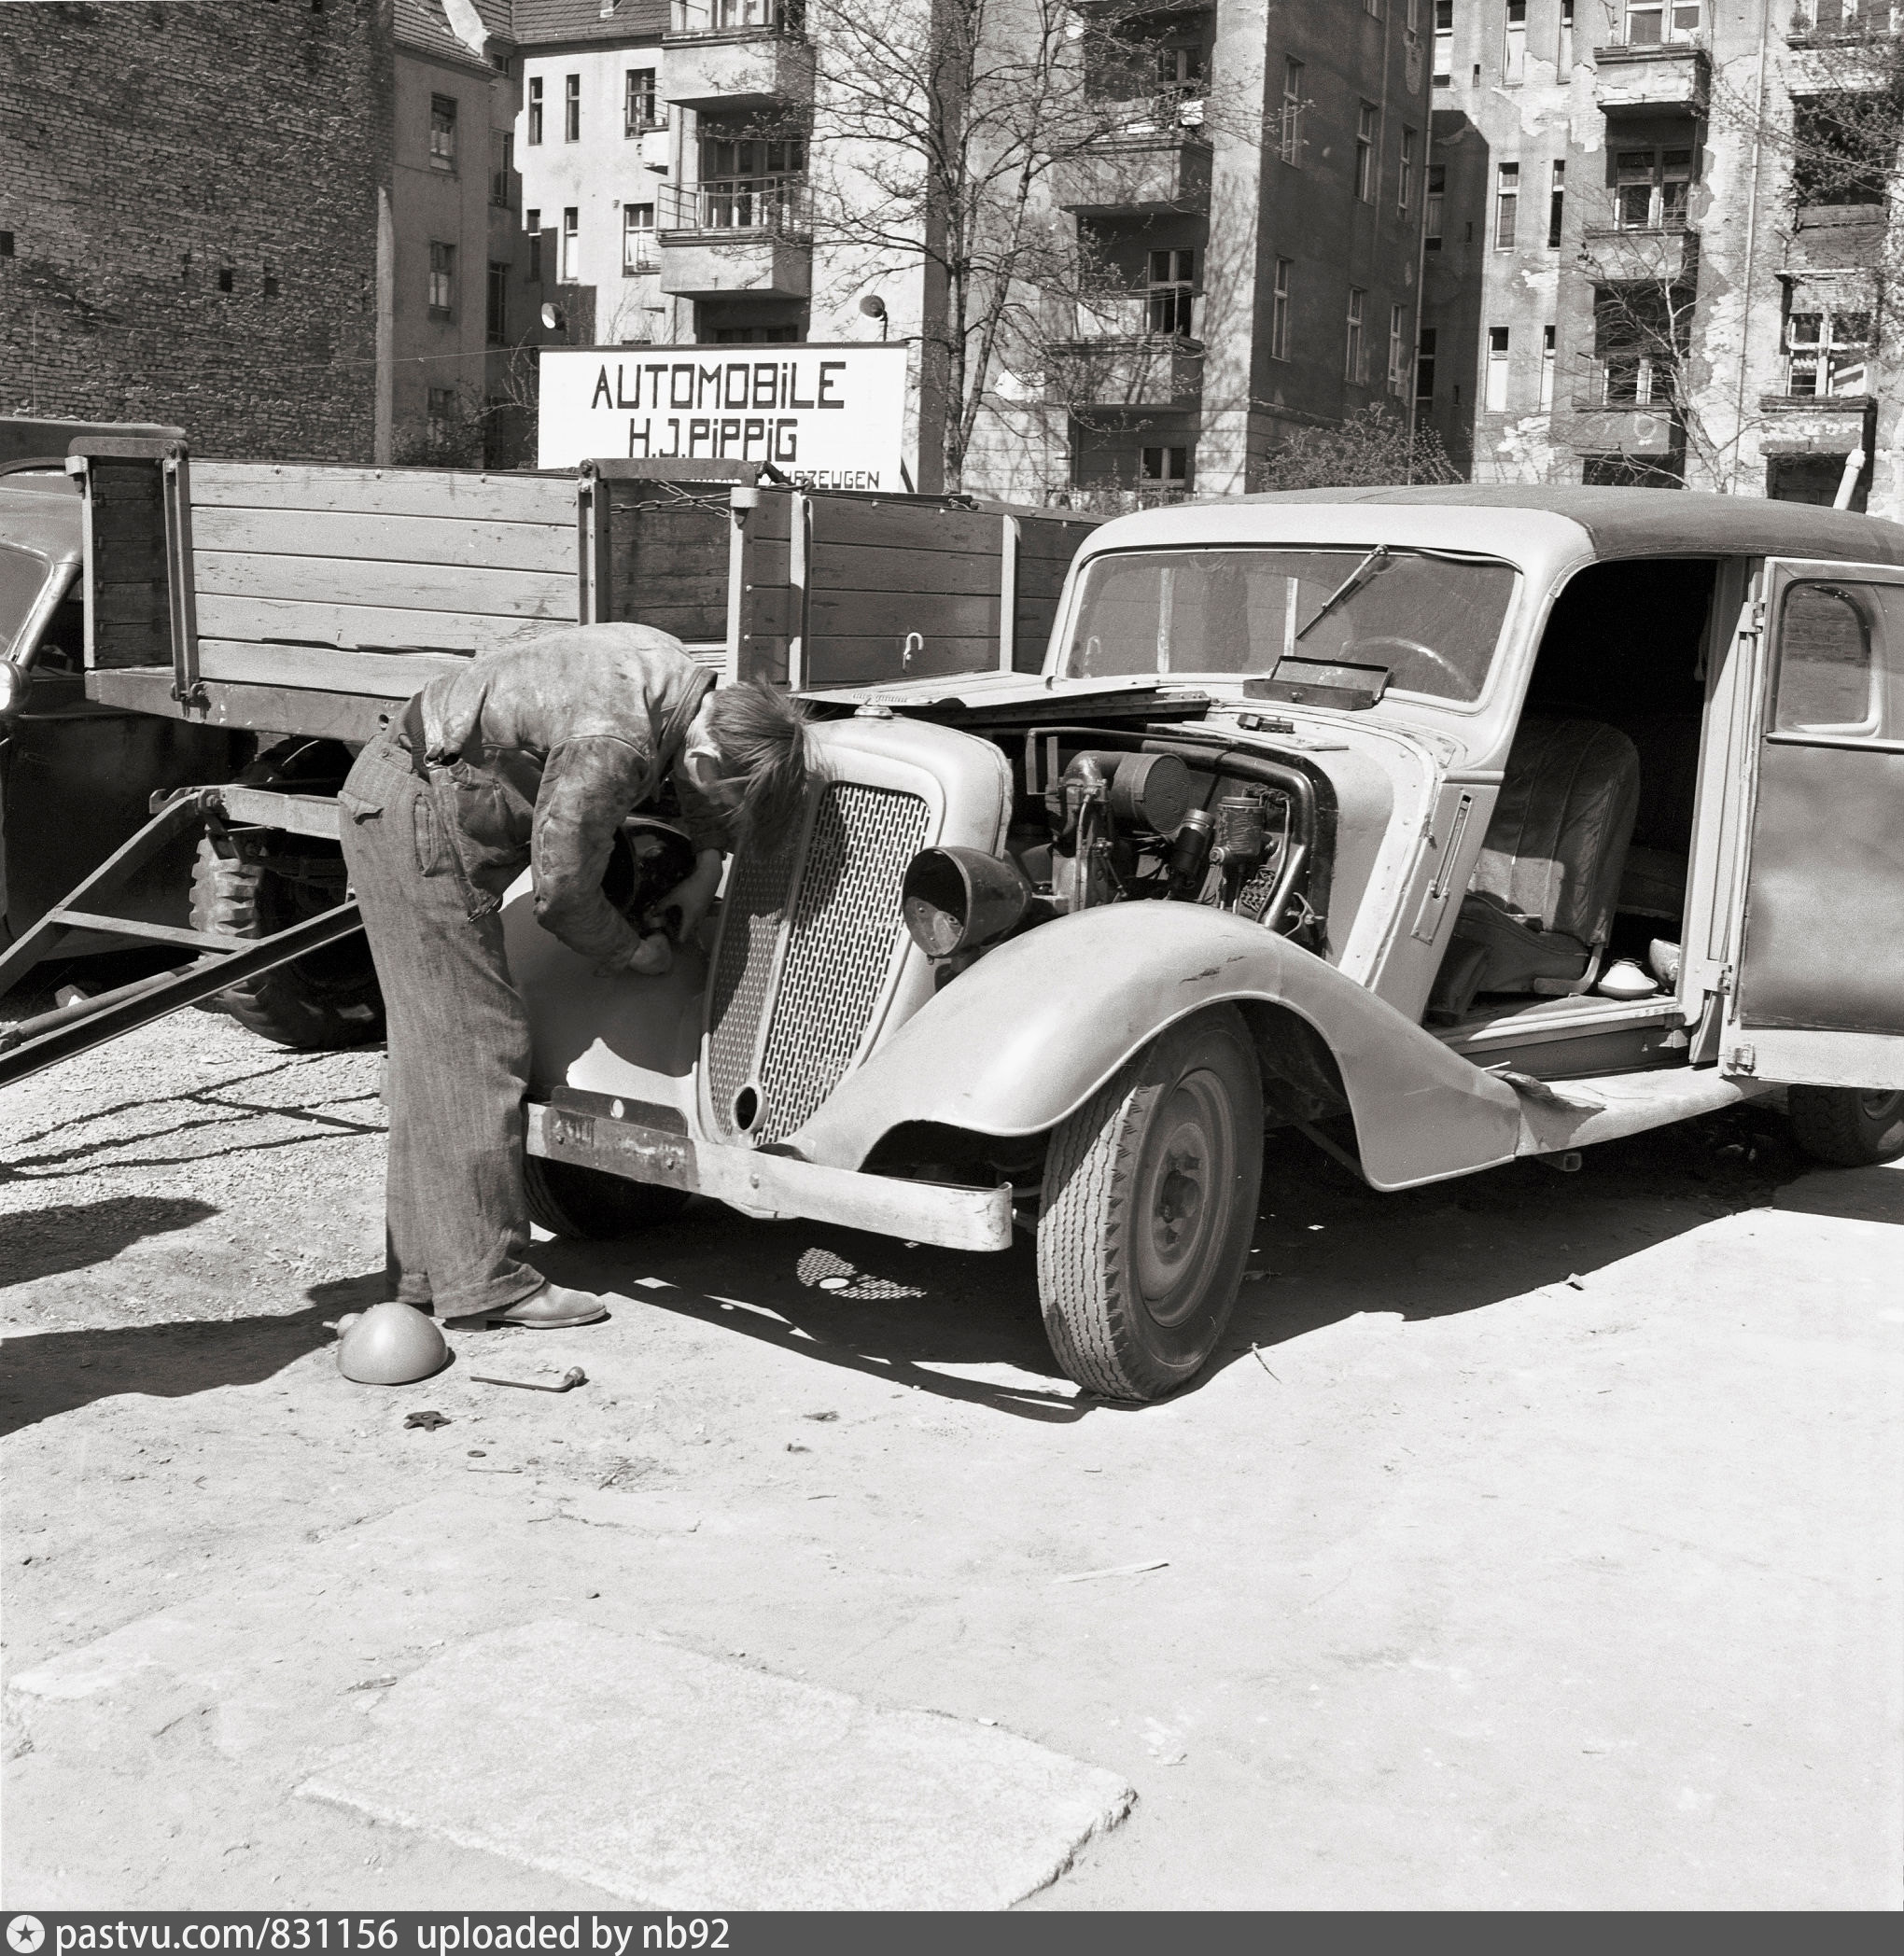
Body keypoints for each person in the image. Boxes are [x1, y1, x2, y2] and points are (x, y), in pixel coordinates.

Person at [337, 622, 815, 1330]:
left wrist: (706, 868)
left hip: (401, 789)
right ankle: (489, 1284)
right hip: (417, 815)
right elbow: (562, 893)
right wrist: (630, 952)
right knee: (479, 1046)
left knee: (433, 1060)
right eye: (722, 800)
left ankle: (422, 1284)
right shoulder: (616, 742)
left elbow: (686, 784)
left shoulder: (672, 670)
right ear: (712, 760)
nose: (712, 812)